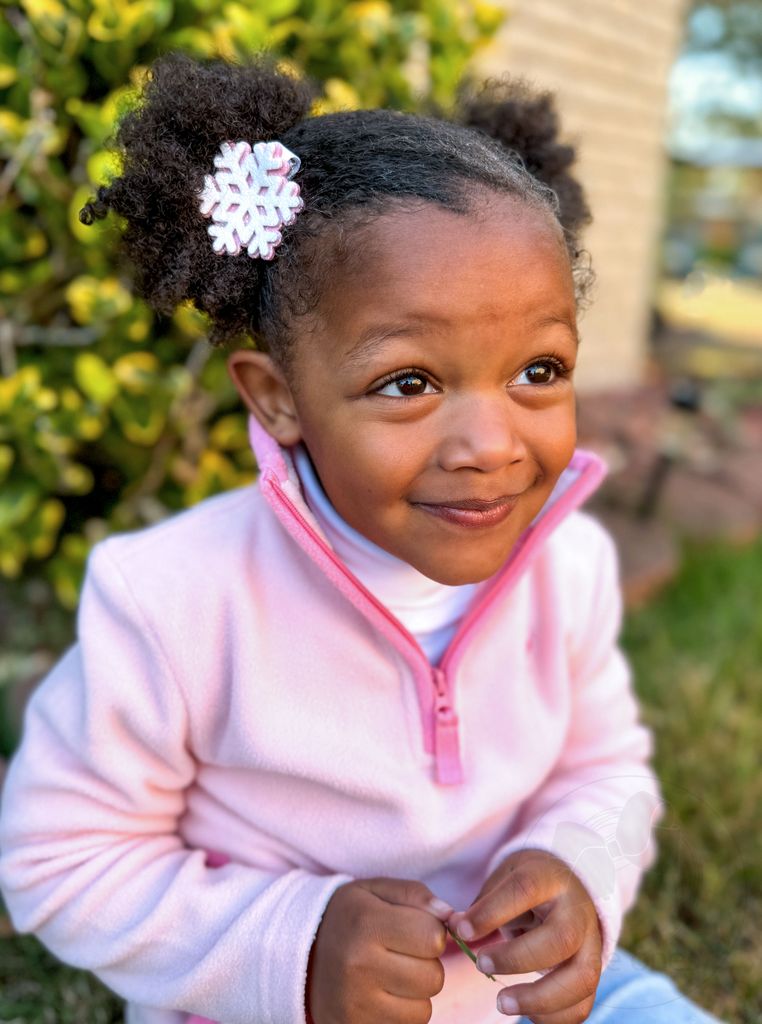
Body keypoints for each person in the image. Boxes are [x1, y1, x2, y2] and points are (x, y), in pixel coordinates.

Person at [0, 52, 724, 1024]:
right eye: (409, 382)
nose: (490, 443)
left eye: (539, 369)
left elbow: (604, 767)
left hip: (521, 996)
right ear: (279, 396)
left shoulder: (572, 566)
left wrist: (580, 867)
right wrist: (291, 943)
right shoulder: (173, 597)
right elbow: (59, 855)